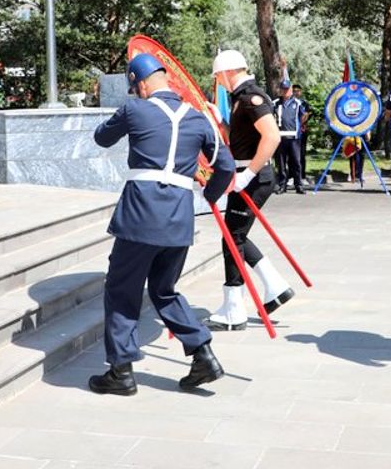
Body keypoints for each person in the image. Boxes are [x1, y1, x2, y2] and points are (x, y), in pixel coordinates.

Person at [87, 53, 236, 395]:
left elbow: (101, 138)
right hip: (179, 218)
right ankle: (203, 354)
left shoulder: (135, 109)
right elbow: (225, 167)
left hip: (141, 215)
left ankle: (121, 372)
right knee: (164, 290)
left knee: (122, 289)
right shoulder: (198, 119)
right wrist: (211, 196)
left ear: (140, 84)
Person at [205, 50, 294, 330]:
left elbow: (272, 136)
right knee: (236, 234)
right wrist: (220, 122)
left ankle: (235, 308)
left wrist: (249, 174)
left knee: (232, 238)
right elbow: (239, 139)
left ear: (229, 72)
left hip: (253, 175)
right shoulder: (240, 99)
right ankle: (275, 286)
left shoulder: (250, 97)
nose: (218, 81)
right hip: (246, 172)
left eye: (218, 76)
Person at [273, 80, 310, 194]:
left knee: (296, 162)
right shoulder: (275, 103)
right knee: (281, 163)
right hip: (280, 137)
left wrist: (299, 126)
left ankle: (298, 185)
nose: (285, 91)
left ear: (290, 90)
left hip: (294, 138)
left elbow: (304, 115)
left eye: (287, 89)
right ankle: (282, 185)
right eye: (283, 89)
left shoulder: (298, 103)